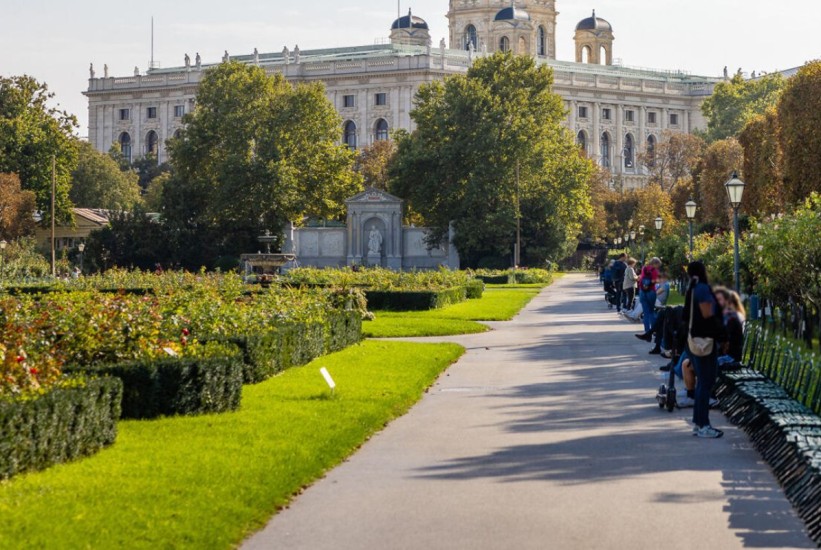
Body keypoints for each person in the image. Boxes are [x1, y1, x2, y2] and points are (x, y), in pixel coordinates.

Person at [683, 261, 728, 438]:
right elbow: (708, 315)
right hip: (705, 341)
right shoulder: (702, 289)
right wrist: (723, 336)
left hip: (695, 339)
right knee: (705, 382)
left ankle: (698, 423)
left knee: (703, 382)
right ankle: (703, 425)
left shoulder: (692, 288)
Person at [714, 287, 746, 367]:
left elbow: (724, 340)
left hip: (731, 357)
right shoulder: (730, 317)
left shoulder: (732, 318)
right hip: (730, 354)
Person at [638, 257, 662, 333]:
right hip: (651, 291)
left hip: (642, 291)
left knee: (646, 313)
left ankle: (647, 331)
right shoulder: (655, 271)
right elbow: (655, 281)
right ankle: (654, 330)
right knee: (651, 311)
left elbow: (641, 279)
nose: (658, 266)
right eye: (658, 265)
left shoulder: (644, 268)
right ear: (655, 263)